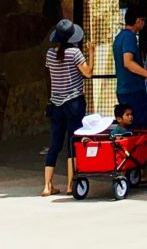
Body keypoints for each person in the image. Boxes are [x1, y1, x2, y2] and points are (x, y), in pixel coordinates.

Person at [43, 18, 92, 196]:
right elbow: (88, 73)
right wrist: (92, 53)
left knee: (55, 143)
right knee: (73, 142)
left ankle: (47, 185)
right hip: (73, 102)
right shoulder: (75, 53)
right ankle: (71, 184)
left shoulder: (50, 54)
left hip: (56, 104)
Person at [113, 5, 147, 127]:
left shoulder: (119, 37)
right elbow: (128, 62)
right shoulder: (130, 37)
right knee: (145, 126)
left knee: (131, 125)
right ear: (138, 20)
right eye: (144, 20)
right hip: (133, 89)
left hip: (123, 88)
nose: (144, 23)